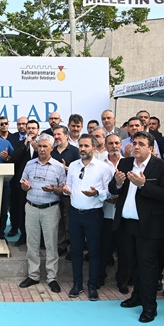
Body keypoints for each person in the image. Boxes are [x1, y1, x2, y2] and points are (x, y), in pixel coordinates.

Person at [109, 131, 164, 323]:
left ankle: (149, 307)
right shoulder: (125, 163)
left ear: (151, 149)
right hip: (126, 223)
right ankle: (137, 296)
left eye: (141, 144)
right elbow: (113, 189)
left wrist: (143, 185)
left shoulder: (162, 167)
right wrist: (117, 183)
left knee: (147, 266)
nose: (136, 147)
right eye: (135, 143)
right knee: (132, 263)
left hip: (149, 226)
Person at [63, 134, 113, 301]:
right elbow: (69, 187)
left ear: (94, 148)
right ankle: (77, 284)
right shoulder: (73, 166)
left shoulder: (103, 168)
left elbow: (109, 192)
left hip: (94, 215)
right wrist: (66, 190)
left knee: (94, 251)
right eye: (81, 146)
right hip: (75, 214)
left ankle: (92, 285)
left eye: (86, 146)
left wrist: (96, 193)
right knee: (76, 251)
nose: (82, 149)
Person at [18, 134, 66, 293]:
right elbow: (23, 183)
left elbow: (63, 190)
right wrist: (25, 186)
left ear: (52, 148)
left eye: (45, 146)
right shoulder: (30, 164)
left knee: (51, 244)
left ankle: (52, 277)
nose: (42, 149)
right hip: (31, 207)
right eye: (39, 146)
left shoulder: (58, 167)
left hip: (50, 208)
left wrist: (54, 189)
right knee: (32, 243)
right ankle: (33, 275)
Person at [98, 133, 126, 293]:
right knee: (104, 249)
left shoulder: (128, 163)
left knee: (123, 250)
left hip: (123, 215)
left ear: (121, 145)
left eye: (116, 143)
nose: (114, 146)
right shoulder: (100, 164)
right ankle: (100, 278)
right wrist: (108, 198)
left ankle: (122, 281)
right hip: (106, 212)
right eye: (110, 143)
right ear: (105, 145)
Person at [50, 125, 80, 258]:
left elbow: (80, 170)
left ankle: (72, 247)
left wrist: (66, 168)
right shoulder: (51, 151)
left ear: (66, 135)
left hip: (69, 191)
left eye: (59, 134)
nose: (56, 137)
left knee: (69, 220)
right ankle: (61, 245)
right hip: (54, 191)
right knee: (59, 219)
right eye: (54, 135)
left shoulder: (75, 151)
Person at [8, 120, 39, 244]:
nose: (31, 130)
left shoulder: (42, 145)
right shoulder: (21, 144)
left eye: (33, 128)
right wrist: (24, 145)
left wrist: (37, 150)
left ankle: (37, 238)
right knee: (21, 210)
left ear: (38, 130)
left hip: (38, 183)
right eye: (29, 128)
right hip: (22, 183)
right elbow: (13, 159)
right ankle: (23, 235)